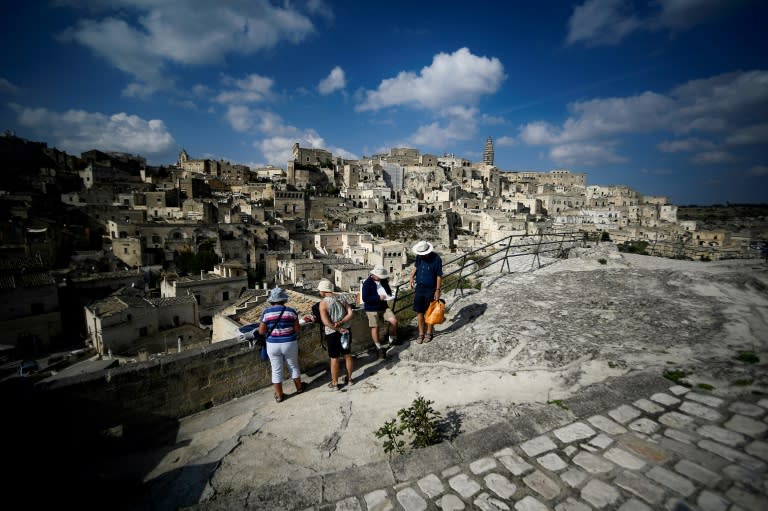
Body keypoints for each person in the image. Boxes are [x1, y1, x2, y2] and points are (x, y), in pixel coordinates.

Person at [258, 287, 303, 403]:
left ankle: (279, 396)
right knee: (293, 366)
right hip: (289, 343)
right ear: (284, 300)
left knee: (276, 370)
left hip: (273, 345)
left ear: (271, 300)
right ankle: (299, 388)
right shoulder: (291, 311)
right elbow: (297, 329)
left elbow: (261, 332)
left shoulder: (266, 313)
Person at [317, 279, 355, 390]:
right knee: (347, 355)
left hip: (332, 333)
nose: (319, 292)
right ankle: (349, 379)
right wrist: (342, 323)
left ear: (324, 290)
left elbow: (326, 322)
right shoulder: (342, 298)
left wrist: (337, 329)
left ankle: (335, 383)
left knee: (334, 358)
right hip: (346, 330)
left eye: (320, 290)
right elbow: (350, 313)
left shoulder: (323, 303)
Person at [361, 265, 399, 359]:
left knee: (394, 321)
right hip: (372, 308)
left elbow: (388, 290)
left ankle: (391, 339)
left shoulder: (383, 280)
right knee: (375, 327)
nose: (382, 278)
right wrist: (378, 298)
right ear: (374, 275)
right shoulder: (367, 283)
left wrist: (390, 294)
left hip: (383, 306)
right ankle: (379, 348)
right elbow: (365, 298)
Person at [409, 240, 443, 344]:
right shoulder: (419, 257)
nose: (422, 256)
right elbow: (416, 267)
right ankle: (421, 334)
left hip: (431, 288)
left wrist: (437, 290)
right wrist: (411, 276)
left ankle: (429, 333)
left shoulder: (437, 259)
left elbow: (439, 275)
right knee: (419, 312)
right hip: (420, 288)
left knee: (430, 311)